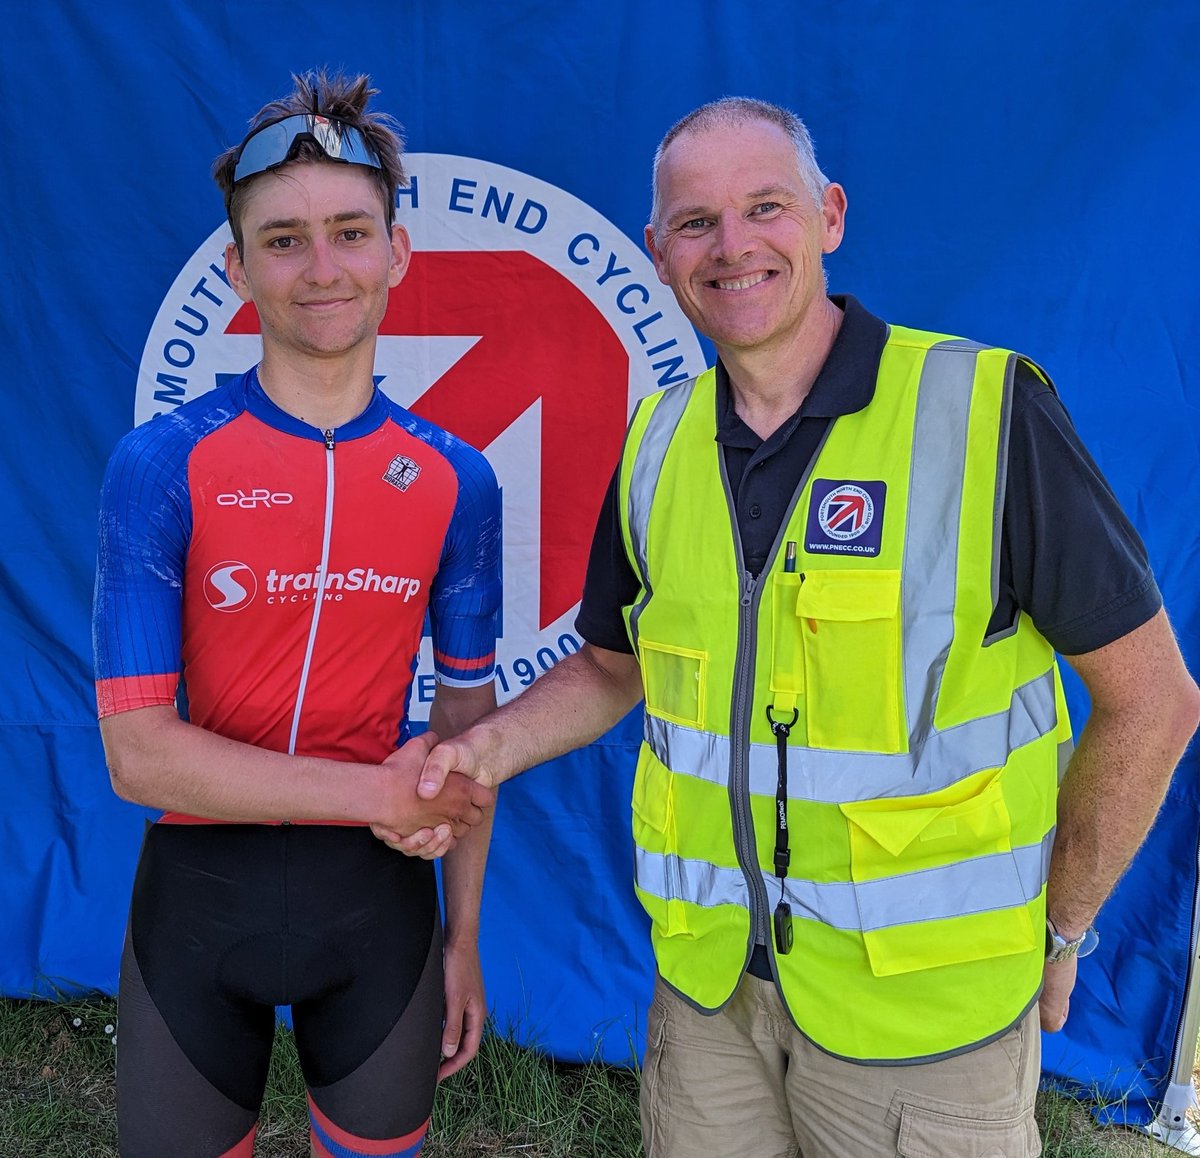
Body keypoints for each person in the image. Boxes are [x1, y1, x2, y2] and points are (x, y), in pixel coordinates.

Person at [400, 98, 1200, 1157]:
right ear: (657, 251)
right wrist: (479, 751)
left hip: (926, 1022)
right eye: (695, 223)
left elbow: (1154, 702)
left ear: (828, 216)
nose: (732, 247)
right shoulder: (659, 441)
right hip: (709, 999)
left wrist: (1063, 931)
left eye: (765, 206)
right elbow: (609, 666)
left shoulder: (983, 413)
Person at [93, 71, 501, 1158]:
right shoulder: (162, 465)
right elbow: (138, 759)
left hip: (382, 921)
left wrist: (463, 937)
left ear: (397, 254)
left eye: (349, 232)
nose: (322, 268)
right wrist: (374, 789)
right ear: (236, 268)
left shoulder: (460, 480)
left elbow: (471, 734)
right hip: (196, 908)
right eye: (282, 240)